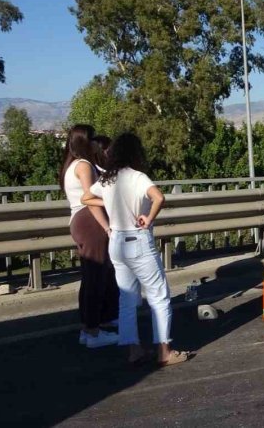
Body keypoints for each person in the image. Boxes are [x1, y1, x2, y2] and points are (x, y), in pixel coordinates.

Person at [82, 133, 191, 367]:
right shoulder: (138, 177)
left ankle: (133, 350)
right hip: (138, 240)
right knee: (158, 295)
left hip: (116, 242)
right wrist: (149, 218)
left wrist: (109, 204)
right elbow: (158, 198)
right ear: (135, 153)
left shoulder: (108, 179)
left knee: (127, 299)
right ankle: (164, 350)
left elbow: (86, 198)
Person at [60, 125, 119, 348]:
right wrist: (107, 226)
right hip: (89, 221)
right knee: (96, 277)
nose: (97, 142)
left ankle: (90, 327)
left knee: (92, 276)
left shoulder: (72, 164)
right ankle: (93, 332)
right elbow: (89, 198)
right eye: (93, 139)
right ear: (86, 142)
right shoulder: (84, 166)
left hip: (79, 220)